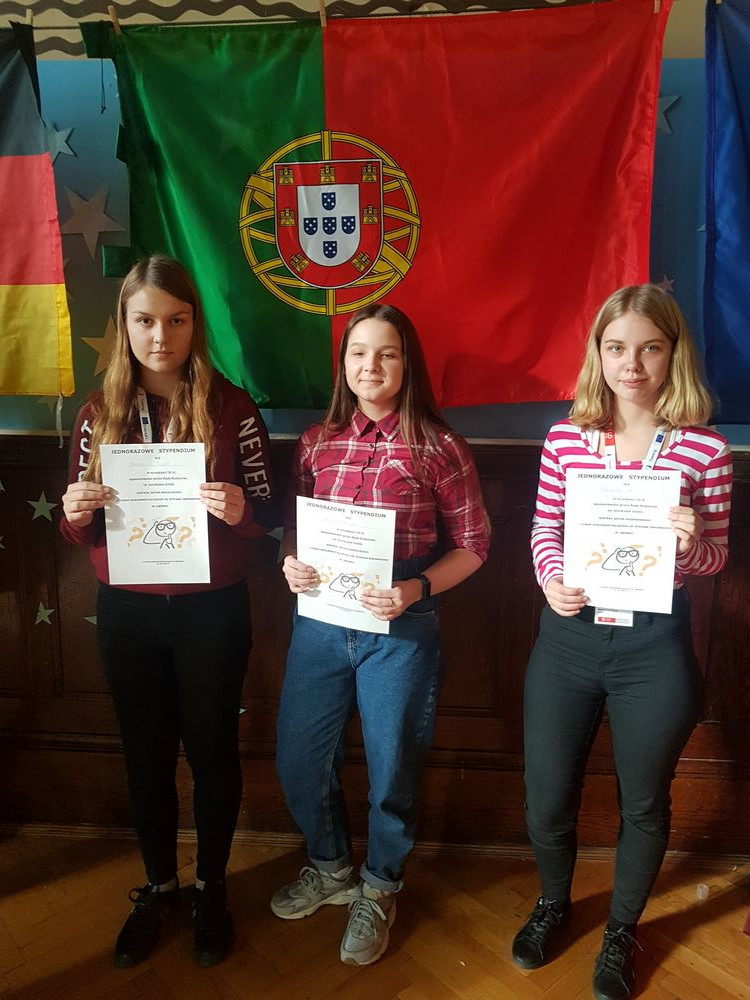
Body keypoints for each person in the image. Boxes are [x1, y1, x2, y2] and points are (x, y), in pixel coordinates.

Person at [511, 285, 733, 1000]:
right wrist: (551, 578)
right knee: (548, 796)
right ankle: (553, 903)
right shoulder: (566, 439)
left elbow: (715, 559)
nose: (631, 364)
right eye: (616, 348)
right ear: (598, 354)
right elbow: (545, 528)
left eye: (649, 348)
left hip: (653, 647)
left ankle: (620, 930)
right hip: (569, 638)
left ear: (674, 354)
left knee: (643, 802)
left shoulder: (705, 450)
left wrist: (693, 545)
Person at [60, 255, 275, 969]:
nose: (161, 336)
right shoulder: (98, 414)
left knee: (212, 751)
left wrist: (242, 511)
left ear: (194, 324)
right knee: (145, 755)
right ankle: (159, 886)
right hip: (129, 613)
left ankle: (211, 887)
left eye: (177, 320)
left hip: (213, 611)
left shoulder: (233, 408)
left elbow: (267, 508)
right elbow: (80, 529)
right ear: (125, 324)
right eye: (146, 320)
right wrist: (74, 513)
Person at [271, 303, 491, 966]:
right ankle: (332, 867)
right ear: (343, 363)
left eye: (387, 353)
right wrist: (290, 560)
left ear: (406, 363)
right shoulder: (317, 442)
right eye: (359, 352)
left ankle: (380, 885)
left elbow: (475, 546)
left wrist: (415, 589)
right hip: (320, 620)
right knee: (300, 758)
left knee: (393, 763)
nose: (371, 365)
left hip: (401, 622)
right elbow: (294, 527)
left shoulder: (439, 446)